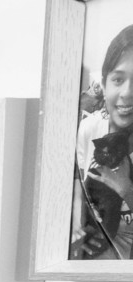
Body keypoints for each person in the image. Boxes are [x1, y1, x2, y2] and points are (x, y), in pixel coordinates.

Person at [72, 25, 133, 260]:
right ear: (105, 84)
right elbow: (77, 179)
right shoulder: (89, 128)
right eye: (118, 79)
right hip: (90, 246)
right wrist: (76, 220)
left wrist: (125, 188)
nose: (127, 93)